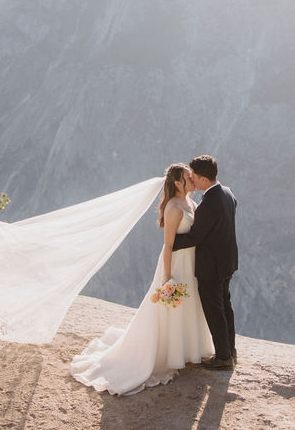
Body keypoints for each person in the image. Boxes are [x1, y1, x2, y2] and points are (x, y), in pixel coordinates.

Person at [70, 163, 215, 394]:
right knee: (169, 309)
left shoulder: (190, 202)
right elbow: (168, 246)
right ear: (178, 182)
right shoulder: (174, 208)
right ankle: (165, 354)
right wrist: (167, 279)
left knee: (189, 304)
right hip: (176, 263)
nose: (193, 181)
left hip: (191, 263)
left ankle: (186, 350)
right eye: (188, 178)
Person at [172, 155, 238, 370]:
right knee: (225, 306)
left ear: (202, 179)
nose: (191, 181)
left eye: (193, 177)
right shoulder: (227, 193)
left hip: (211, 266)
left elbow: (195, 237)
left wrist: (171, 242)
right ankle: (230, 350)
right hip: (227, 261)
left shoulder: (209, 203)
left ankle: (223, 358)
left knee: (214, 309)